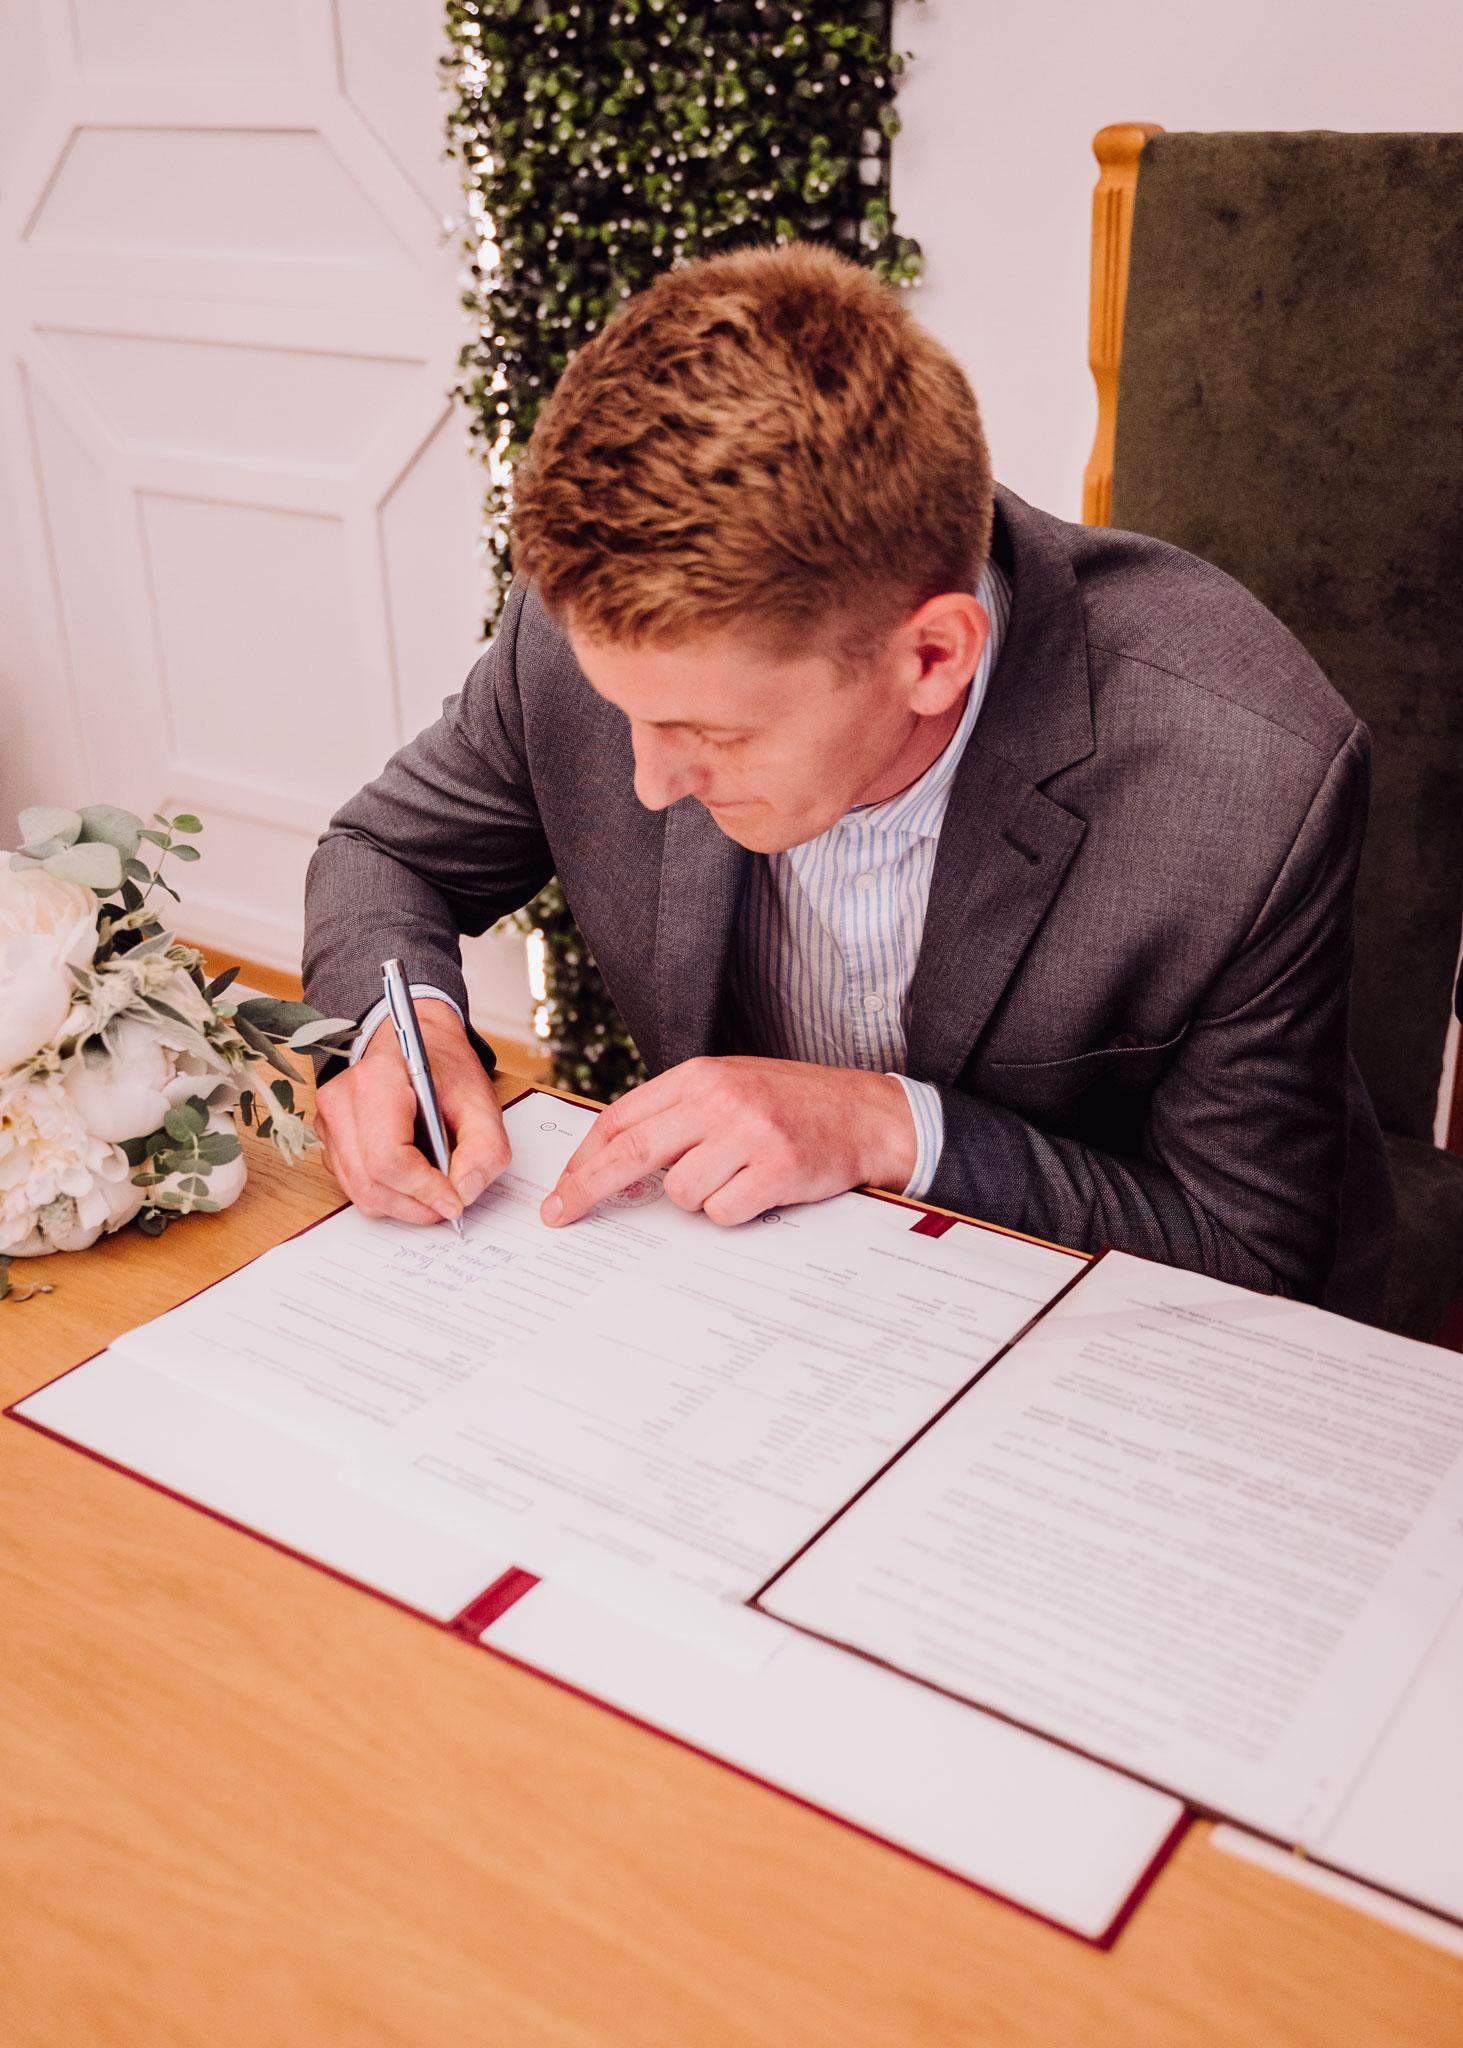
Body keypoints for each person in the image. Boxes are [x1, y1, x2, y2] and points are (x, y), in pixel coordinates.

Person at [302, 241, 1394, 1317]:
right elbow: (383, 852)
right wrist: (408, 1027)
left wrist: (889, 1128)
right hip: (745, 1301)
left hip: (1080, 1333)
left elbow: (1249, 1253)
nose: (647, 782)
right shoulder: (598, 629)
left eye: (710, 732)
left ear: (932, 656)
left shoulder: (1246, 779)